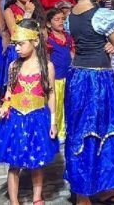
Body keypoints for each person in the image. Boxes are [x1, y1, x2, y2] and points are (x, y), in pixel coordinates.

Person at [65, 0, 114, 205]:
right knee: (105, 128)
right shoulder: (101, 15)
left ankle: (83, 193)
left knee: (81, 131)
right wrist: (112, 45)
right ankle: (104, 186)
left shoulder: (71, 15)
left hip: (77, 77)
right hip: (99, 79)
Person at [0, 19, 58, 205]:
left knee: (37, 161)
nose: (16, 48)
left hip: (38, 118)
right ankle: (14, 201)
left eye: (21, 44)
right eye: (15, 44)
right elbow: (9, 92)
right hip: (15, 119)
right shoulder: (14, 66)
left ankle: (37, 197)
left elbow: (51, 94)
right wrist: (4, 107)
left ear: (35, 42)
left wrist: (53, 121)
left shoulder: (46, 67)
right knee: (14, 163)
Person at [45, 8, 73, 141]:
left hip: (67, 76)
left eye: (62, 19)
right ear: (49, 24)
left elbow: (72, 54)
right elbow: (48, 58)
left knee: (67, 103)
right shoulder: (49, 40)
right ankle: (58, 131)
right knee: (57, 105)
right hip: (56, 78)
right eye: (57, 19)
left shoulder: (68, 37)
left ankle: (66, 128)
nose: (61, 22)